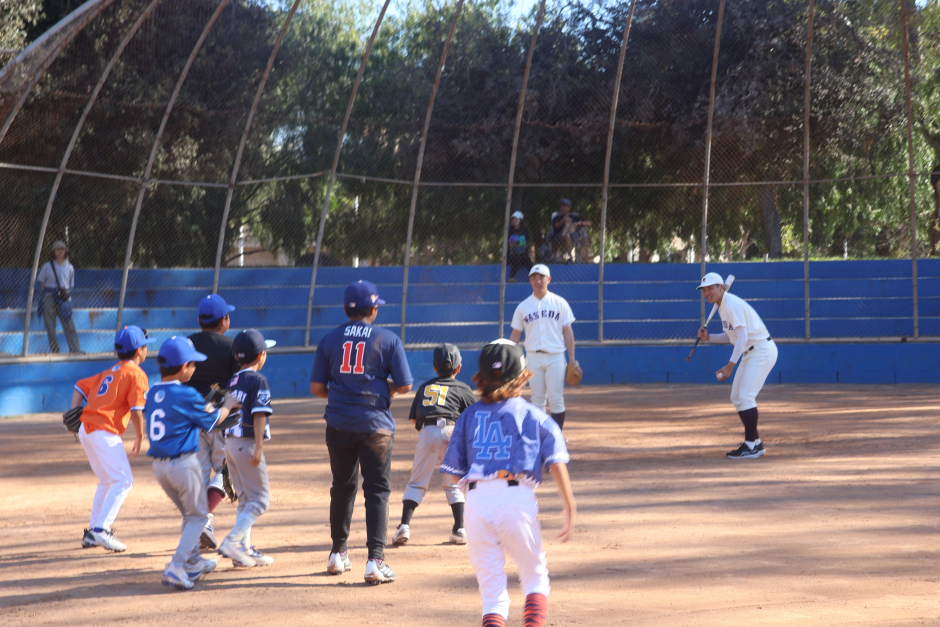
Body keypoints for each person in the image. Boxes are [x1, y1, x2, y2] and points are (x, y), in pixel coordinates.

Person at [441, 339, 575, 627]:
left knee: (492, 594)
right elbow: (556, 462)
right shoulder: (534, 415)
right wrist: (570, 506)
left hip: (475, 504)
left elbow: (452, 474)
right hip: (515, 501)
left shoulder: (468, 416)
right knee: (535, 577)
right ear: (523, 377)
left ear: (479, 377)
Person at [310, 280, 413, 584]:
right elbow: (405, 385)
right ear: (374, 310)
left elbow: (316, 387)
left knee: (342, 486)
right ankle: (375, 561)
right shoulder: (387, 339)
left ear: (345, 309)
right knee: (377, 490)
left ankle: (337, 553)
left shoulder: (329, 339)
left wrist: (342, 396)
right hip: (375, 426)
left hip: (338, 424)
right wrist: (385, 389)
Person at [145, 336, 241, 590]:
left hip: (159, 467)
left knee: (190, 515)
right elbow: (212, 421)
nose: (195, 368)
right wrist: (228, 404)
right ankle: (176, 567)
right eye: (192, 364)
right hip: (183, 465)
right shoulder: (186, 393)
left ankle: (193, 561)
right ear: (183, 366)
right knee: (198, 516)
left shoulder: (152, 392)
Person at [70, 325, 154, 552]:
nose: (146, 350)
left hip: (86, 430)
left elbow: (79, 386)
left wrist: (74, 412)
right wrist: (139, 437)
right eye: (145, 346)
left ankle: (92, 532)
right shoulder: (137, 374)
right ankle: (101, 530)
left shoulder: (109, 371)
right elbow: (136, 410)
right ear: (139, 351)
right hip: (104, 431)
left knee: (107, 480)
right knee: (124, 480)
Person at [392, 343, 476, 547]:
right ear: (459, 368)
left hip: (428, 430)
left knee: (416, 483)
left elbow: (414, 418)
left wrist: (431, 434)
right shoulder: (463, 388)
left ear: (434, 368)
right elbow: (475, 418)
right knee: (453, 482)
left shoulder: (425, 387)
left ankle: (404, 526)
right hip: (453, 431)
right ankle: (460, 529)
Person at [696, 272, 778, 459]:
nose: (707, 293)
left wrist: (730, 366)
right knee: (736, 397)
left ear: (721, 288)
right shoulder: (723, 306)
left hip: (761, 350)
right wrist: (709, 338)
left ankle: (749, 447)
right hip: (751, 352)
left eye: (710, 288)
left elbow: (742, 338)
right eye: (704, 290)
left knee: (746, 396)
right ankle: (756, 443)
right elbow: (732, 336)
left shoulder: (731, 305)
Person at [216, 329, 277, 567]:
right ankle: (233, 541)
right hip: (247, 444)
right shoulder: (258, 380)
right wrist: (259, 447)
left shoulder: (233, 380)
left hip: (230, 444)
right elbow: (260, 414)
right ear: (261, 355)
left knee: (245, 499)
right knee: (260, 500)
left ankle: (243, 551)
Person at [185, 294, 240, 550]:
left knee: (199, 474)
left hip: (192, 418)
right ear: (224, 320)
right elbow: (239, 383)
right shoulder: (232, 346)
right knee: (226, 471)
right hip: (221, 417)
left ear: (199, 320)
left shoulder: (188, 343)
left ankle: (197, 524)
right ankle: (204, 520)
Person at [508, 264, 576, 430]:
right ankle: (539, 436)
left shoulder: (560, 303)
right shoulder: (523, 306)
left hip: (556, 356)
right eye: (534, 278)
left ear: (549, 279)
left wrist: (572, 360)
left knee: (556, 398)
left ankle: (556, 436)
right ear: (530, 280)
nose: (538, 281)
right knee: (537, 399)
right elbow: (516, 334)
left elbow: (568, 332)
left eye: (541, 278)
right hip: (533, 357)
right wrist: (509, 358)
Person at [37, 240, 81, 354]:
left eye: (63, 249)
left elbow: (70, 285)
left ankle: (75, 350)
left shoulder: (70, 267)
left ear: (65, 251)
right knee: (50, 326)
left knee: (69, 325)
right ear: (54, 252)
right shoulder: (47, 266)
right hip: (49, 297)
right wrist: (50, 292)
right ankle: (55, 350)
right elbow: (42, 282)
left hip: (63, 298)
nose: (61, 251)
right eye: (58, 249)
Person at [507, 211, 532, 281]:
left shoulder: (525, 230)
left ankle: (534, 276)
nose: (514, 220)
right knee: (518, 258)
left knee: (527, 259)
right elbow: (511, 244)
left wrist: (515, 240)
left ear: (521, 220)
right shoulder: (510, 230)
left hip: (523, 254)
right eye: (513, 219)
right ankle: (511, 277)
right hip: (512, 255)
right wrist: (520, 240)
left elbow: (524, 242)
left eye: (517, 219)